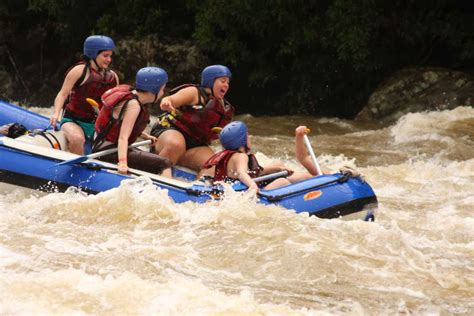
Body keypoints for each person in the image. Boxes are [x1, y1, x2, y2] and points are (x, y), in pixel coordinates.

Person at [150, 64, 234, 176]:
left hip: (194, 143)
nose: (226, 85)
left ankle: (197, 189)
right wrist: (167, 102)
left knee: (213, 165)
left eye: (228, 82)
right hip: (169, 131)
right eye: (223, 81)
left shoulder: (223, 107)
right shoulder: (194, 93)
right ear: (210, 81)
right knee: (176, 144)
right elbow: (169, 99)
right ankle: (158, 176)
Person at [92, 67, 171, 176]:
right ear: (154, 89)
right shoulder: (134, 105)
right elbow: (123, 137)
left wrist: (145, 136)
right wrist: (123, 163)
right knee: (165, 163)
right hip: (107, 151)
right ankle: (164, 192)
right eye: (162, 89)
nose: (163, 93)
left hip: (105, 145)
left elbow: (121, 125)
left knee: (154, 163)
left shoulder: (133, 96)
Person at [50, 35, 119, 155]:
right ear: (93, 54)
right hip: (73, 121)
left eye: (110, 56)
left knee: (116, 144)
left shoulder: (113, 77)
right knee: (77, 139)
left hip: (97, 125)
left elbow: (118, 106)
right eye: (105, 56)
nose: (109, 60)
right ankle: (77, 169)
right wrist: (56, 113)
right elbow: (62, 94)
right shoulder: (79, 71)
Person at [203, 121, 312, 191]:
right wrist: (252, 186)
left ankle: (310, 179)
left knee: (279, 165)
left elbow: (255, 171)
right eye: (247, 136)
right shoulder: (241, 157)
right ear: (242, 141)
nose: (249, 138)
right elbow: (242, 173)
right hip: (243, 189)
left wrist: (279, 168)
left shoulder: (233, 156)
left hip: (240, 185)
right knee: (282, 182)